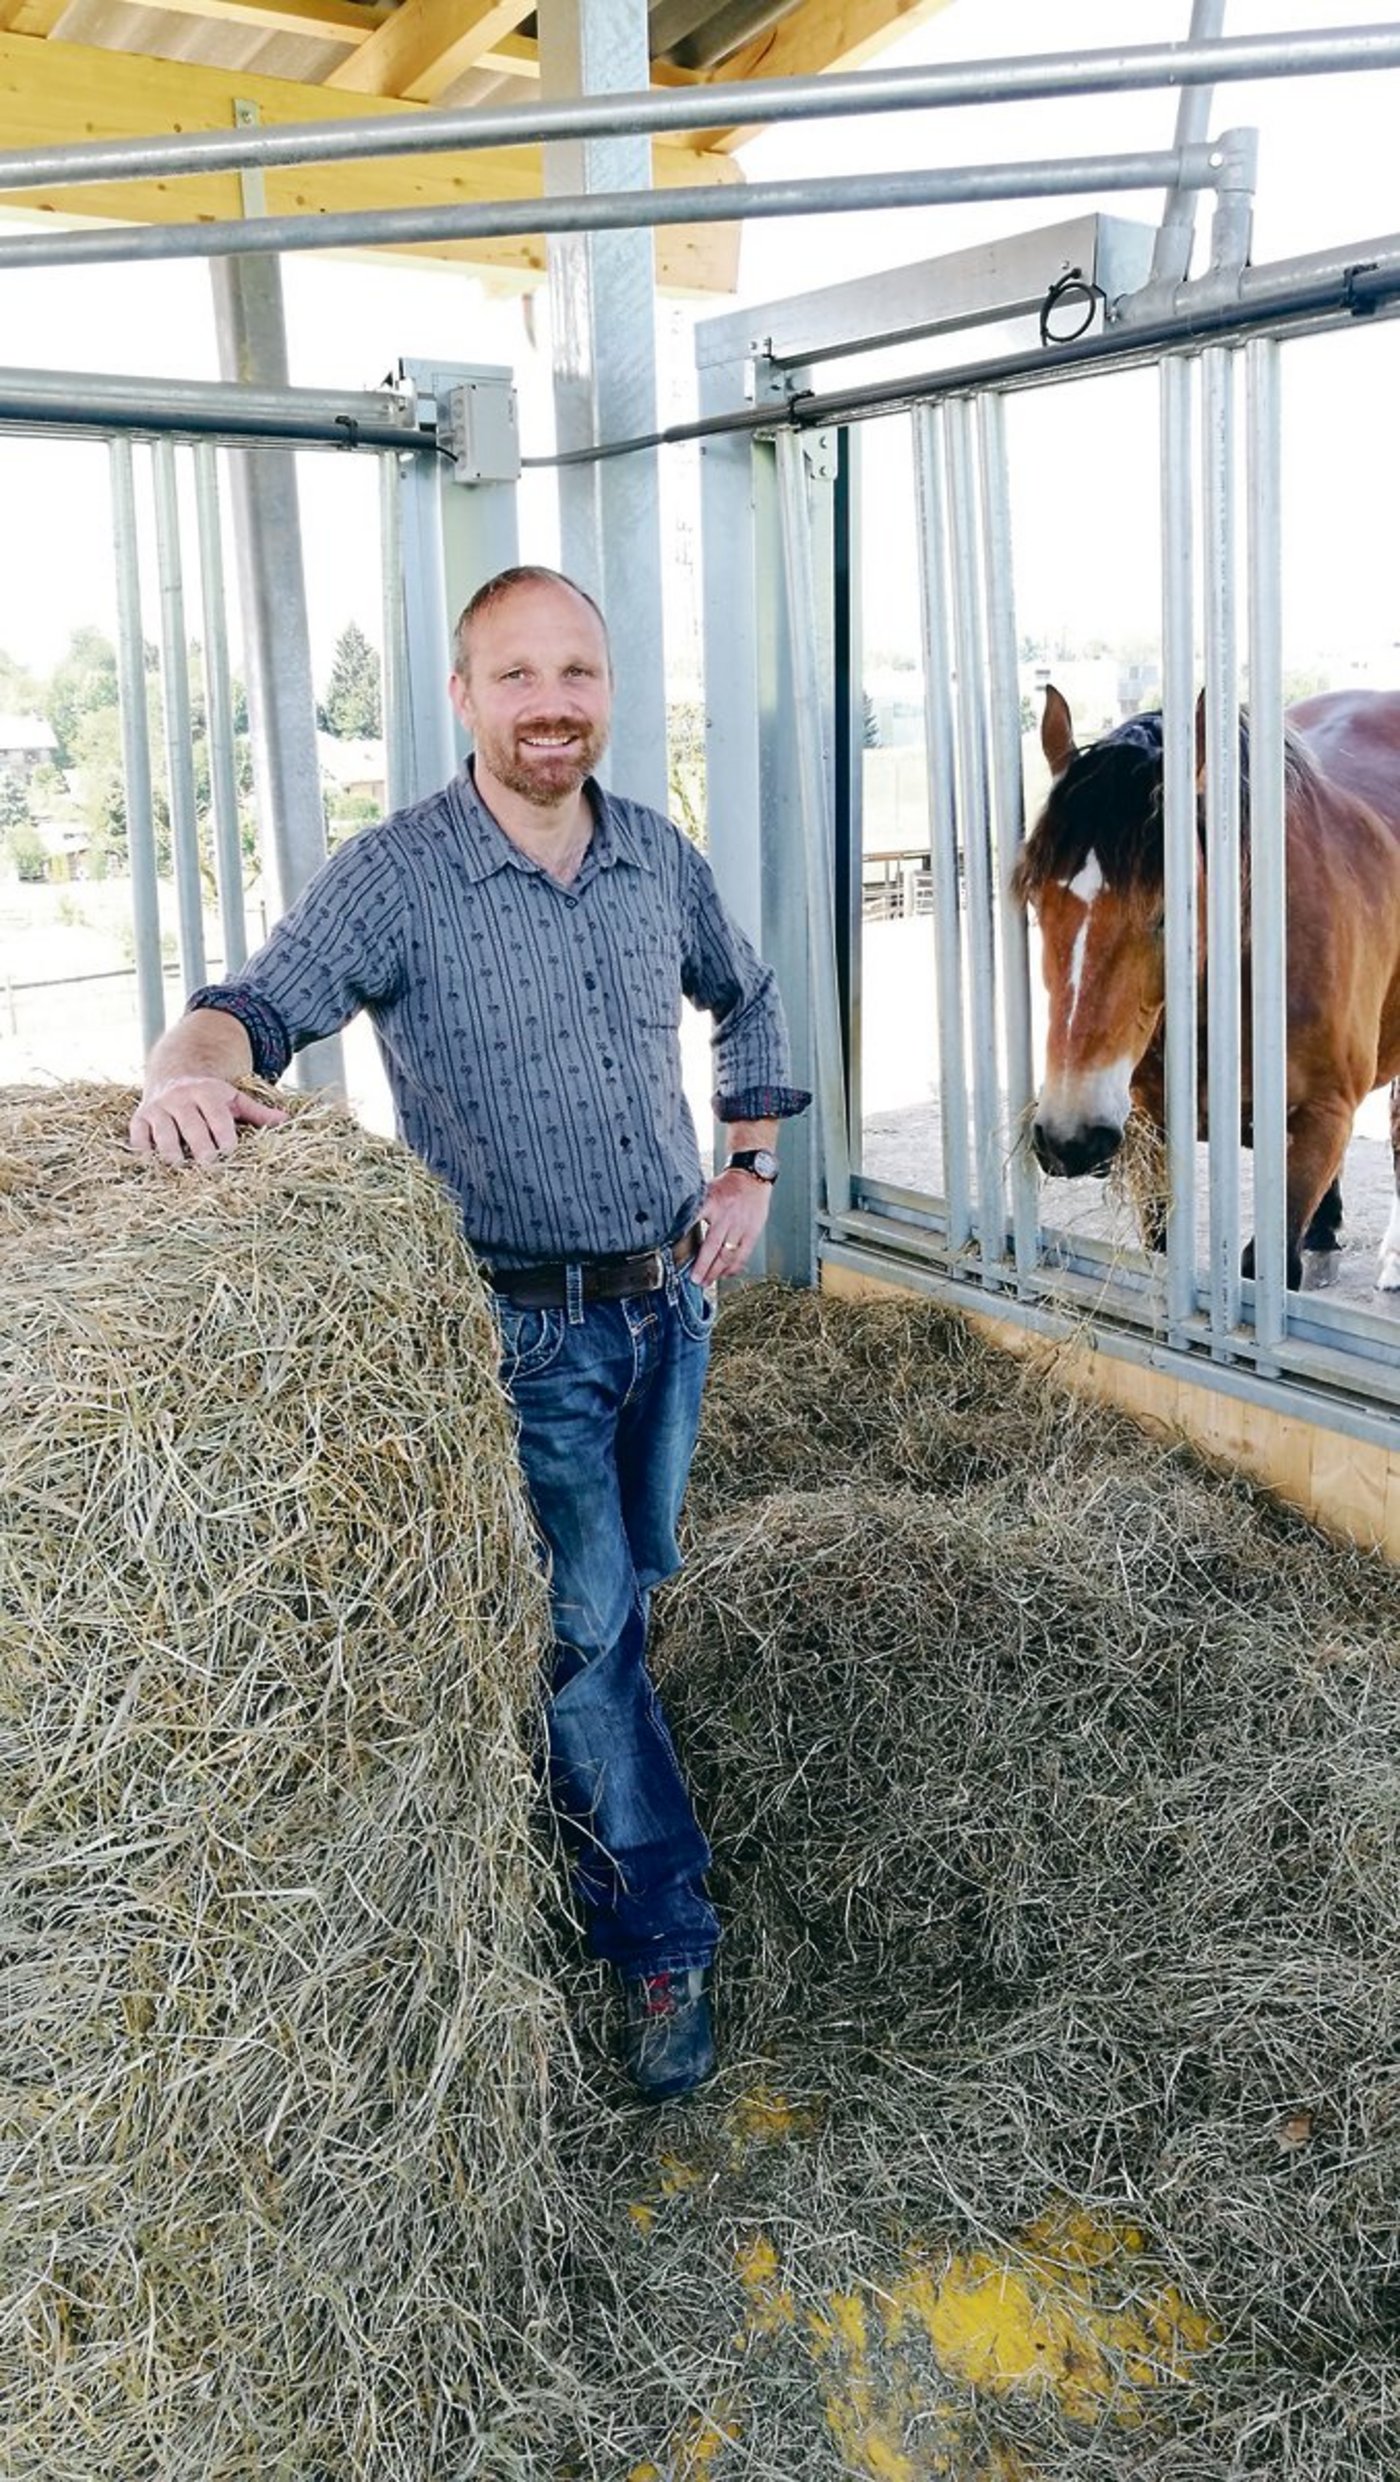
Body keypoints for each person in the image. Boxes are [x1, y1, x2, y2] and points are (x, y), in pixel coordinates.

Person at [130, 563, 808, 2102]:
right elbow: (251, 1007)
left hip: (666, 1309)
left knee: (622, 1596)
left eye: (577, 670)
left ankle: (559, 1799)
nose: (552, 703)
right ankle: (660, 1930)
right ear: (461, 696)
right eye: (517, 676)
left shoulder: (654, 855)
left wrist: (750, 1168)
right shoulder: (400, 875)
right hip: (523, 1336)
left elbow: (750, 1000)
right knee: (583, 1631)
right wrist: (184, 1072)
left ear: (608, 688)